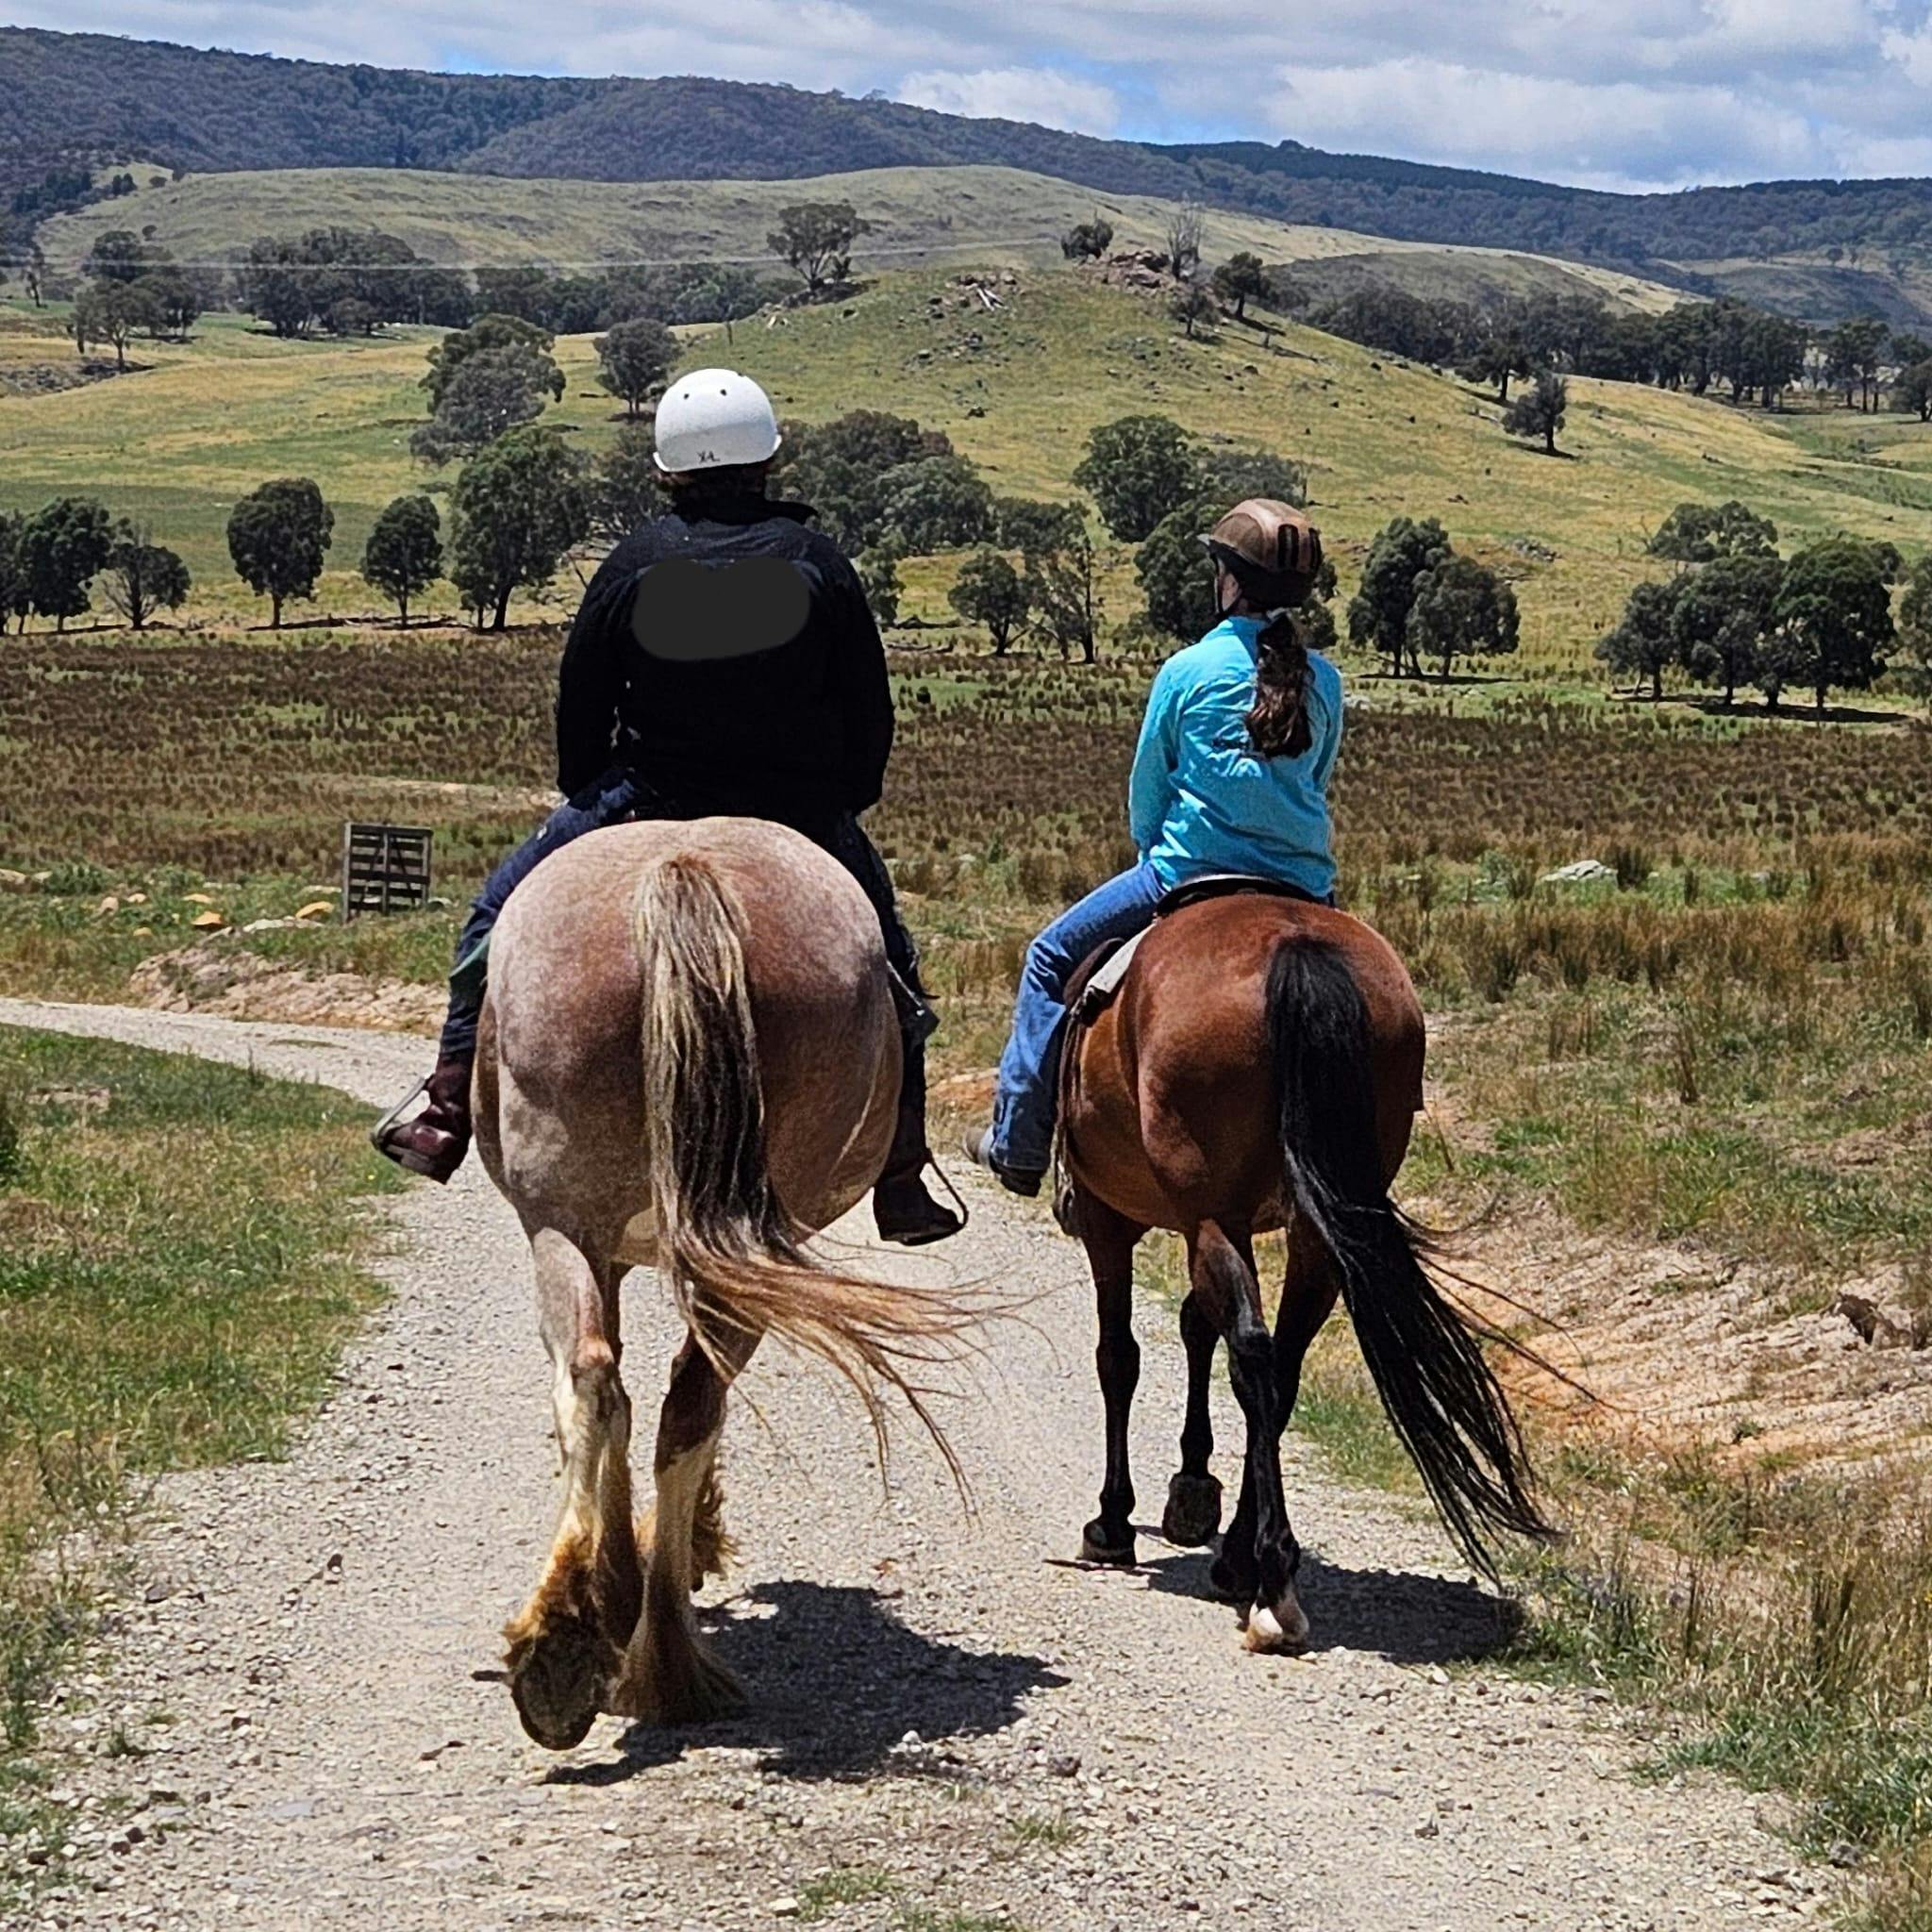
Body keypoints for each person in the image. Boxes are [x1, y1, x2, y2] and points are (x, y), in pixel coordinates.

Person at [373, 368, 963, 1246]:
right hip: (794, 806)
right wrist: (843, 802)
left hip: (642, 797)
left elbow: (580, 701)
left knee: (491, 917)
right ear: (769, 458)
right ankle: (903, 1168)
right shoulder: (821, 564)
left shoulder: (632, 563)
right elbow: (867, 708)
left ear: (667, 470)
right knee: (894, 969)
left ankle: (448, 1100)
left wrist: (587, 793)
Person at [965, 498, 1341, 1196]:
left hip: (1187, 873)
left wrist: (1152, 851)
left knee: (1047, 958)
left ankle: (1018, 1141)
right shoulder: (1327, 681)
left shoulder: (1186, 670)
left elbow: (1148, 787)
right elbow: (1317, 779)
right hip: (1305, 881)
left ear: (1229, 581)